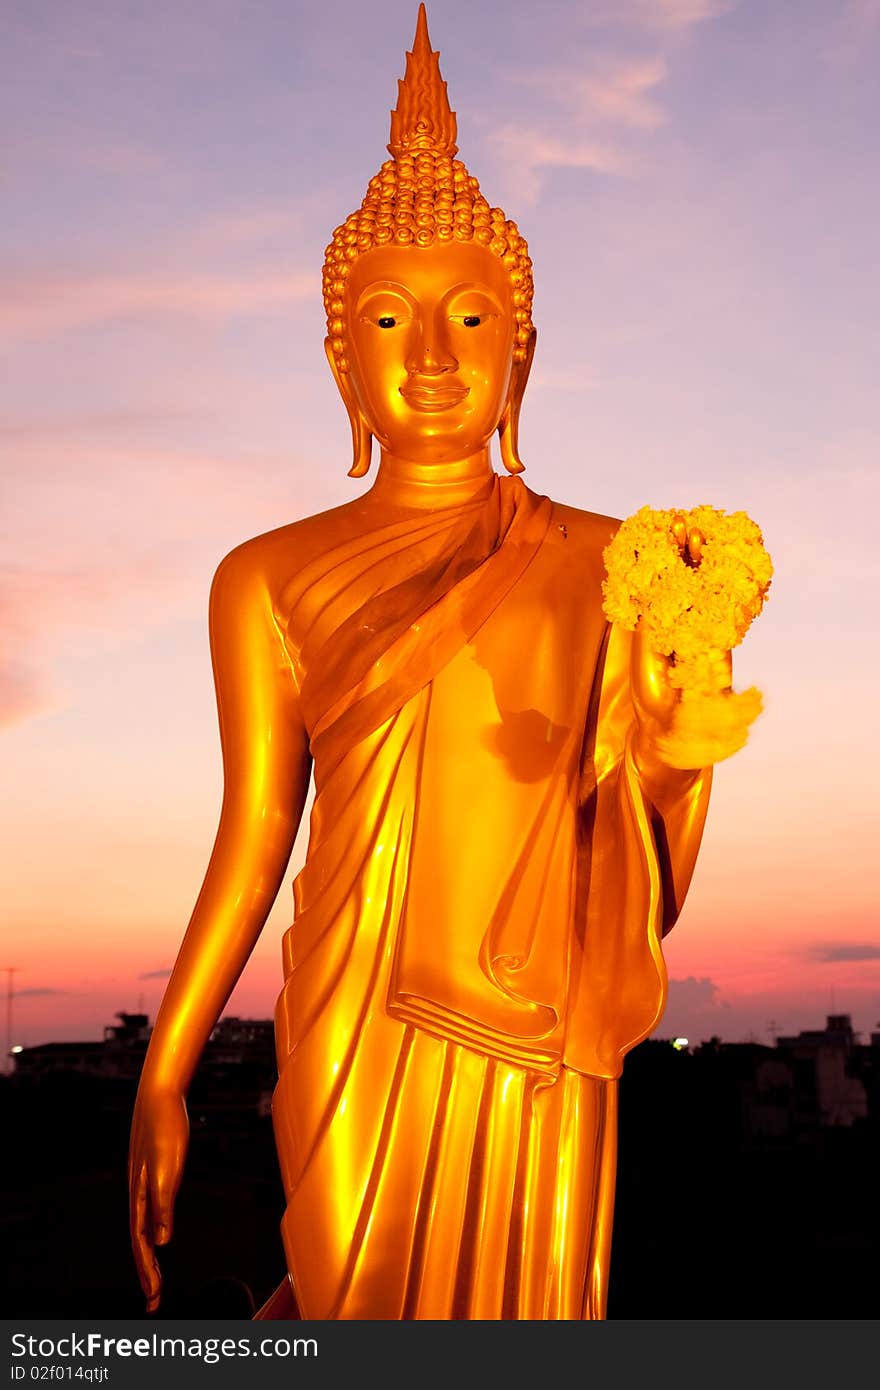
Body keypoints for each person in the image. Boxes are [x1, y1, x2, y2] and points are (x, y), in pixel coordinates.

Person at [129, 7, 732, 1320]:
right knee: (352, 1295)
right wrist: (164, 1064)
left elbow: (644, 829)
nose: (438, 359)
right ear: (341, 355)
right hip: (350, 1011)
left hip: (532, 1031)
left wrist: (680, 729)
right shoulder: (267, 574)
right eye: (393, 324)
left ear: (521, 347)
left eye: (470, 317)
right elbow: (256, 834)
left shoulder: (611, 559)